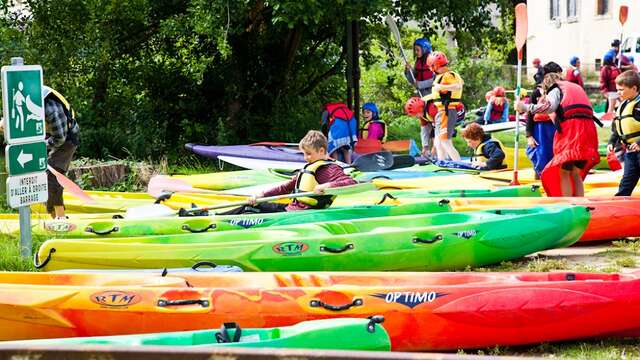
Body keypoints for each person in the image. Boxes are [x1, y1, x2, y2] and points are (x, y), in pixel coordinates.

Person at [221, 130, 357, 215]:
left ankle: (212, 219)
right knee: (252, 205)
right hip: (292, 209)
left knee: (248, 210)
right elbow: (286, 187)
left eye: (309, 154)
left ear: (321, 151)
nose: (306, 158)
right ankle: (212, 216)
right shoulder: (311, 166)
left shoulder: (329, 169)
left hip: (301, 215)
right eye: (304, 154)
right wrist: (262, 195)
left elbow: (351, 182)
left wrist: (326, 186)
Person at [516, 67, 600, 197]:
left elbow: (549, 107)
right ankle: (579, 201)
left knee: (564, 172)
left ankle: (567, 203)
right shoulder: (575, 87)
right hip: (589, 131)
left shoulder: (555, 88)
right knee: (576, 173)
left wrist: (525, 107)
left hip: (574, 132)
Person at [526, 63, 562, 178]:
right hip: (540, 130)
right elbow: (530, 115)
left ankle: (556, 178)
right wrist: (529, 135)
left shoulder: (558, 92)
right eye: (557, 75)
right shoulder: (537, 93)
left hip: (554, 129)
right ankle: (539, 179)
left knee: (554, 155)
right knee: (540, 155)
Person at [609, 70, 640, 195]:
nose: (618, 92)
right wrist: (611, 141)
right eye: (617, 89)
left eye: (621, 89)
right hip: (631, 153)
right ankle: (619, 206)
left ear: (634, 88)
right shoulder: (622, 106)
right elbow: (617, 128)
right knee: (626, 184)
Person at [428, 51, 462, 161]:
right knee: (438, 141)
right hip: (441, 112)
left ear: (435, 66)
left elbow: (457, 86)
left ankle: (458, 162)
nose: (430, 69)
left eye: (431, 66)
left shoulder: (448, 75)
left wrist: (440, 86)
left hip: (447, 111)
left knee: (445, 141)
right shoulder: (441, 76)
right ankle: (441, 161)